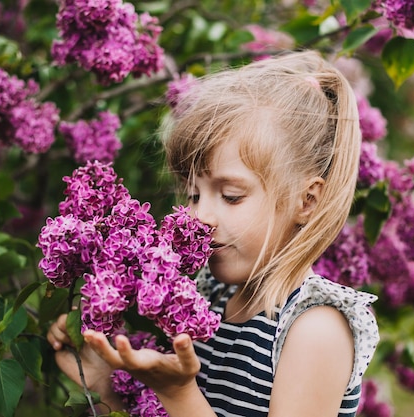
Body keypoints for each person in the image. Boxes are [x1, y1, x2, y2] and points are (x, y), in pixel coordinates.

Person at [47, 50, 379, 417]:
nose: (200, 216)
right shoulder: (208, 298)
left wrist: (178, 392)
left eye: (231, 196)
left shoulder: (315, 329)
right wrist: (103, 382)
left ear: (306, 201)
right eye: (192, 195)